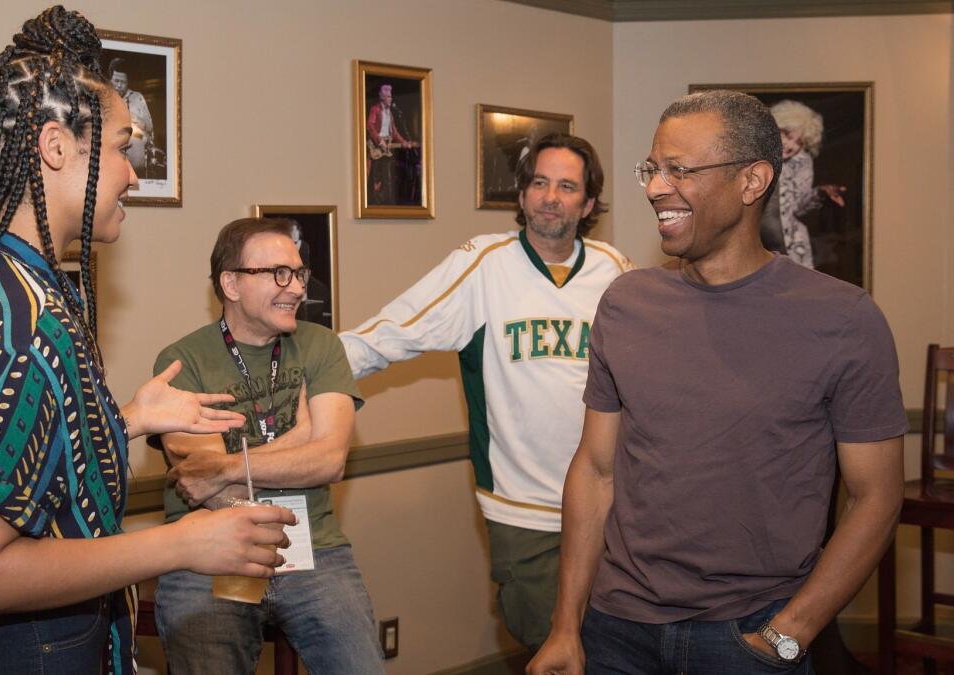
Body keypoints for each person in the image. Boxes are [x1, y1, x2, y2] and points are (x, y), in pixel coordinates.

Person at [0, 8, 294, 674]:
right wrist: (183, 543)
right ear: (55, 146)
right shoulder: (24, 324)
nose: (133, 173)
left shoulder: (3, 283)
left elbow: (11, 446)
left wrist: (123, 419)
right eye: (124, 146)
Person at [528, 90, 906, 675]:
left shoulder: (844, 319)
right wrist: (565, 626)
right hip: (615, 630)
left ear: (753, 181)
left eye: (679, 170)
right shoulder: (626, 303)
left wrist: (787, 637)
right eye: (652, 169)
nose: (655, 187)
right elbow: (597, 469)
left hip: (752, 633)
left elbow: (876, 497)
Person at [341, 133, 633, 653]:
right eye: (539, 183)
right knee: (548, 647)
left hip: (613, 508)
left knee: (617, 651)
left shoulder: (616, 271)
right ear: (521, 196)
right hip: (525, 511)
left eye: (567, 186)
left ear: (588, 204)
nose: (550, 196)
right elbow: (395, 331)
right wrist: (303, 369)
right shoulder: (485, 264)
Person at [151, 217, 384, 675]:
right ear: (231, 283)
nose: (296, 287)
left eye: (298, 273)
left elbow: (330, 460)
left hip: (313, 548)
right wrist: (297, 441)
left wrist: (227, 467)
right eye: (279, 273)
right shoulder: (181, 362)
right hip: (207, 551)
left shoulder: (321, 346)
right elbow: (201, 478)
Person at [766, 99, 847, 269]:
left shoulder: (801, 162)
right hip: (754, 251)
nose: (791, 146)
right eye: (788, 136)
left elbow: (799, 207)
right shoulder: (751, 154)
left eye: (799, 142)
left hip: (790, 249)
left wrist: (820, 193)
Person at [365, 83, 417, 205]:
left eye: (391, 96)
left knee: (387, 178)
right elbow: (370, 126)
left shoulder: (390, 114)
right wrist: (379, 141)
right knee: (376, 179)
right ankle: (374, 203)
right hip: (376, 148)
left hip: (387, 148)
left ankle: (386, 203)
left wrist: (404, 142)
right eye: (388, 97)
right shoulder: (375, 109)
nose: (390, 99)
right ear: (382, 98)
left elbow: (394, 132)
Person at [107, 57, 157, 175]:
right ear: (110, 80)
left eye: (123, 82)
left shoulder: (137, 97)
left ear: (128, 82)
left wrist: (132, 117)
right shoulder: (103, 98)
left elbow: (149, 127)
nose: (119, 85)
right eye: (116, 81)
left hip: (136, 149)